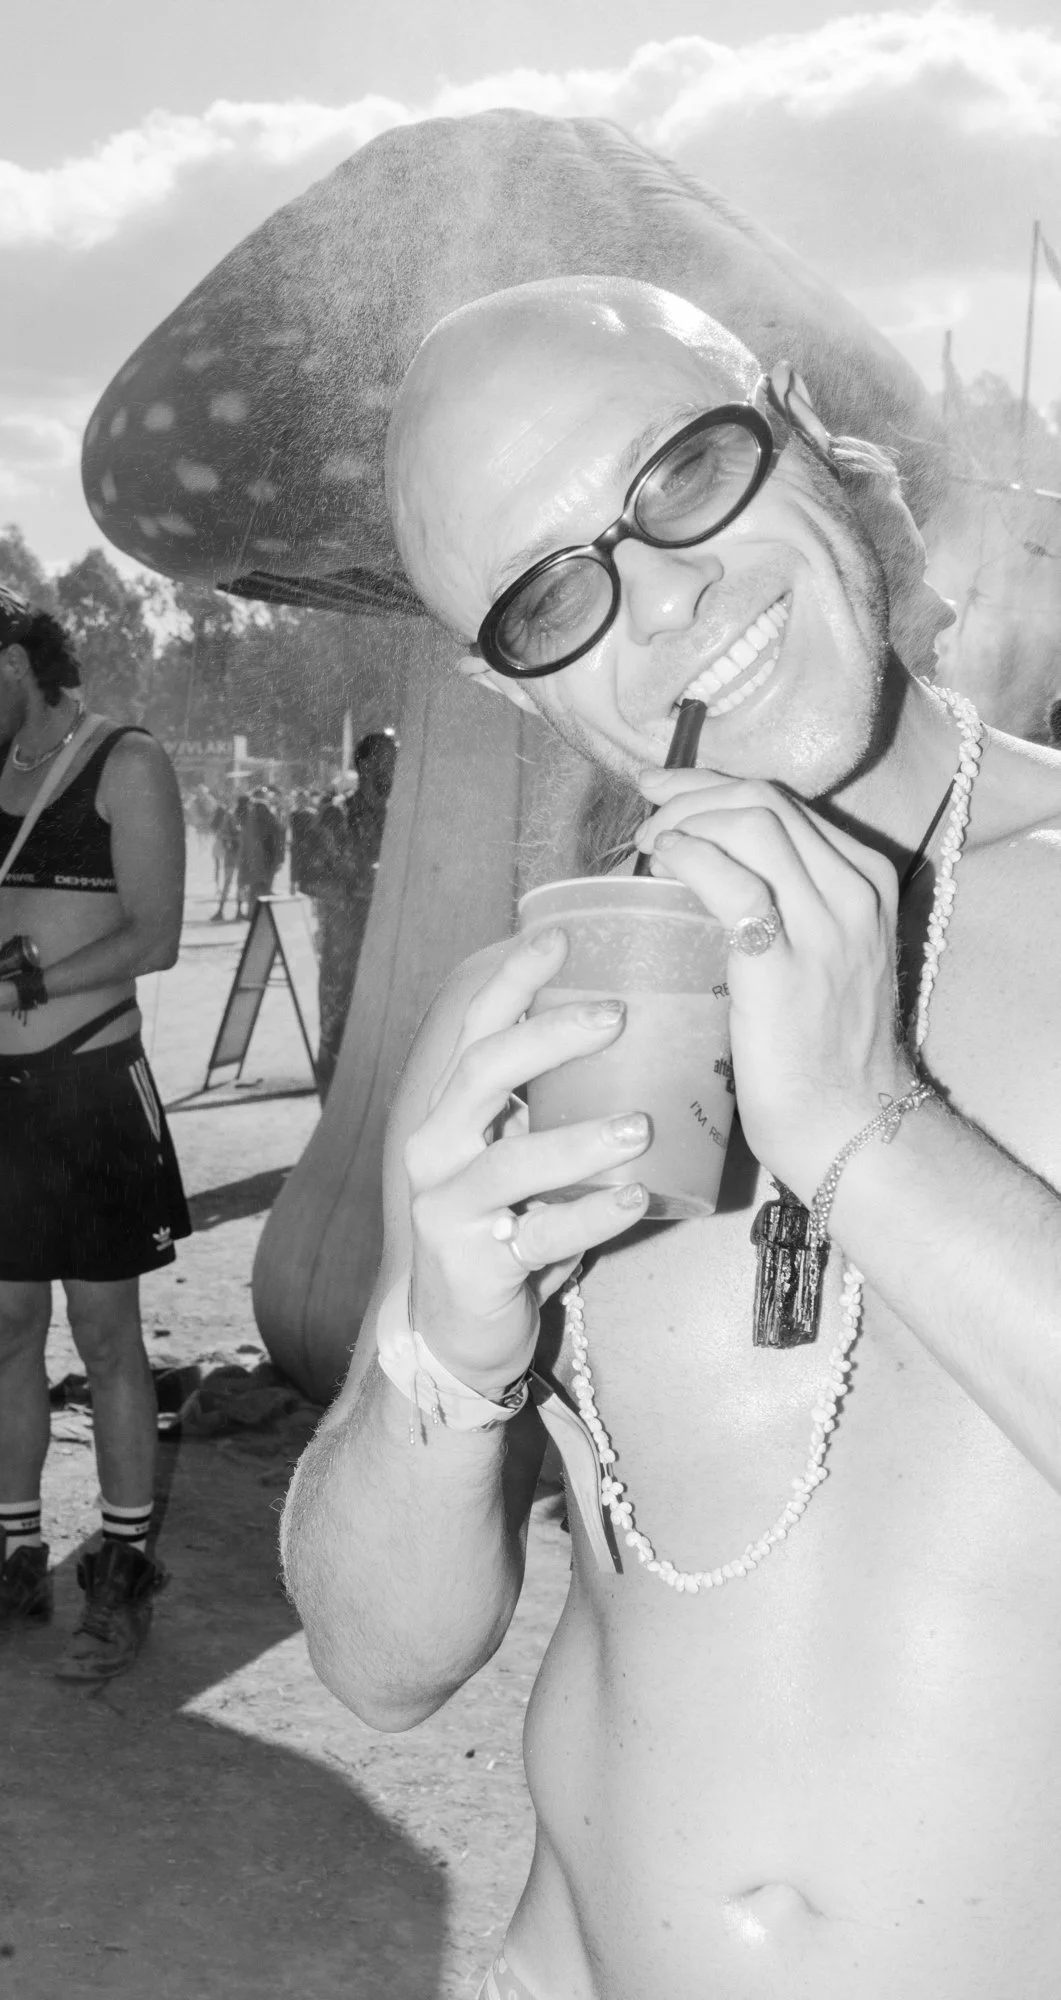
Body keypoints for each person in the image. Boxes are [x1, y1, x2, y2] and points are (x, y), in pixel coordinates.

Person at [281, 278, 1061, 1999]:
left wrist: (867, 1131)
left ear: (794, 423)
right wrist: (446, 1369)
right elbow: (374, 1663)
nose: (662, 599)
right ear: (512, 686)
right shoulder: (526, 1019)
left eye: (683, 476)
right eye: (552, 595)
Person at [0, 583, 190, 1682]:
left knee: (107, 1336)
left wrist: (7, 998)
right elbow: (26, 916)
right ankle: (16, 1556)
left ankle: (117, 1573)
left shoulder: (128, 761)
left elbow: (152, 937)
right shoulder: (3, 766)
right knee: (7, 1328)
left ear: (13, 659)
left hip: (89, 1090)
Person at [303, 731, 397, 1097]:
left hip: (389, 949)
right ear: (365, 765)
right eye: (385, 760)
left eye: (395, 760)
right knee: (337, 1033)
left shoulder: (401, 819)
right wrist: (359, 890)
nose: (392, 769)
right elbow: (312, 879)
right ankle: (332, 1117)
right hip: (345, 949)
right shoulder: (336, 814)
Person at [236, 787, 283, 920]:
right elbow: (276, 836)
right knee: (263, 889)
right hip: (265, 858)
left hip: (253, 858)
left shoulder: (248, 814)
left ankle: (252, 913)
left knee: (254, 888)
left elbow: (245, 838)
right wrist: (278, 858)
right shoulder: (268, 814)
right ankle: (260, 916)